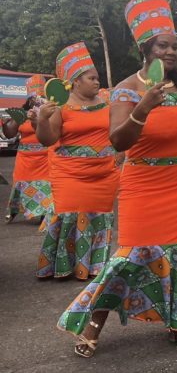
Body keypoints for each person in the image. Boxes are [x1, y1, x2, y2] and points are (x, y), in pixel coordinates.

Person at [57, 0, 177, 356]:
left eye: (172, 47)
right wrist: (143, 108)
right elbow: (119, 141)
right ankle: (93, 325)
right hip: (143, 186)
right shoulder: (125, 91)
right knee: (130, 257)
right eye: (161, 46)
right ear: (145, 50)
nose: (169, 52)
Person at [35, 43, 120, 280]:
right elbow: (48, 139)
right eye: (92, 78)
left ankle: (94, 266)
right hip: (69, 174)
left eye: (98, 78)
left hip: (104, 173)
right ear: (76, 81)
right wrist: (42, 120)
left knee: (98, 216)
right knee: (70, 214)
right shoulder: (60, 108)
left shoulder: (107, 104)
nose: (97, 82)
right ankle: (63, 265)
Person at [3, 75, 52, 224]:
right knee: (21, 184)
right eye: (33, 98)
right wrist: (5, 124)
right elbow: (9, 134)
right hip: (25, 159)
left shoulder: (49, 112)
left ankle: (44, 212)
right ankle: (14, 210)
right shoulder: (21, 114)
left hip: (45, 158)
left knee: (46, 184)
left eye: (40, 97)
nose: (36, 100)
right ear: (29, 99)